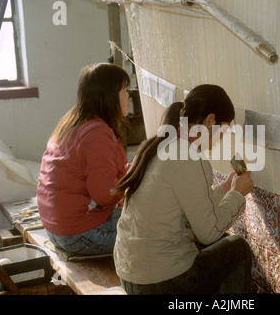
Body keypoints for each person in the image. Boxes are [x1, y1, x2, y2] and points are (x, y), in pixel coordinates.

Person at [113, 84, 254, 294]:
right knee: (237, 248)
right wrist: (236, 194)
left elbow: (191, 202)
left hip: (130, 275)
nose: (221, 138)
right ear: (210, 121)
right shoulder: (189, 157)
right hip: (159, 284)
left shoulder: (159, 145)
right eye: (223, 130)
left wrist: (225, 189)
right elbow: (209, 233)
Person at [37, 63, 131, 255]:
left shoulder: (72, 122)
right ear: (109, 95)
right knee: (161, 229)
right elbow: (105, 194)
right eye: (125, 90)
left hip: (56, 229)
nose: (129, 96)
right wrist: (135, 178)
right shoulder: (97, 132)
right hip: (82, 234)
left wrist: (132, 169)